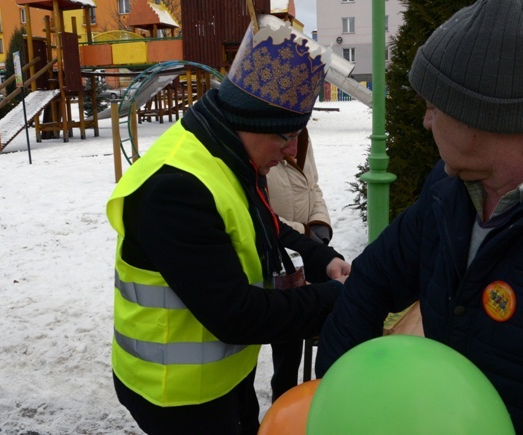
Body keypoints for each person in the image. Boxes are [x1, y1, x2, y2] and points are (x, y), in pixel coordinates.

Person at [315, 0, 523, 433]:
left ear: (489, 116)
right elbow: (372, 281)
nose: (424, 121)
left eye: (435, 106)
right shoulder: (449, 190)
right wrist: (334, 395)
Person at [106, 16, 350, 435]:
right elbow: (236, 314)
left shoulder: (225, 150)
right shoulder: (175, 189)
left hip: (220, 377)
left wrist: (322, 259)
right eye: (286, 136)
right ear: (255, 122)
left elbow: (265, 227)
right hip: (174, 394)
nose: (292, 151)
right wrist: (337, 299)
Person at [265, 128, 333, 401]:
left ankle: (320, 394)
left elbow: (312, 186)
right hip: (278, 250)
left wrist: (319, 224)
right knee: (286, 333)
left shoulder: (300, 137)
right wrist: (304, 233)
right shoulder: (261, 149)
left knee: (328, 310)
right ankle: (284, 397)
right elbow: (262, 214)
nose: (292, 147)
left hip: (310, 245)